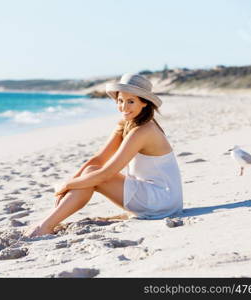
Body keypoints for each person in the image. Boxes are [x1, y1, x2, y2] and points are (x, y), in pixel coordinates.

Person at [25, 73, 183, 237]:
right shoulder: (126, 125)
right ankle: (47, 223)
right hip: (152, 194)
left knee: (94, 175)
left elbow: (107, 173)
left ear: (144, 103)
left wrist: (67, 185)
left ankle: (44, 226)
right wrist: (69, 185)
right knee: (91, 170)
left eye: (131, 101)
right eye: (120, 101)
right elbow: (98, 159)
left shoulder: (144, 130)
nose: (124, 107)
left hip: (162, 200)